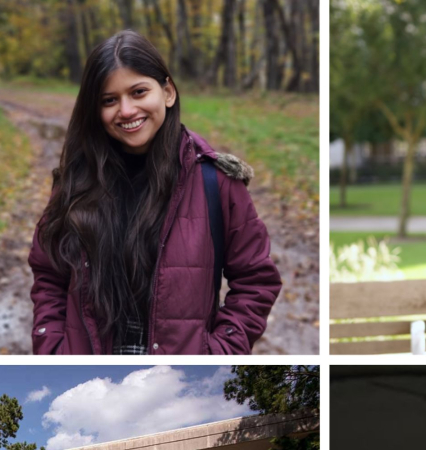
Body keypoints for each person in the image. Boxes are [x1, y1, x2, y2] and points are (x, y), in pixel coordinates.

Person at [29, 30, 281, 354]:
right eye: (109, 100)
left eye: (138, 92)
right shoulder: (75, 184)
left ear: (168, 92)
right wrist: (53, 349)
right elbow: (49, 274)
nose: (126, 110)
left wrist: (219, 351)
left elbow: (256, 280)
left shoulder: (215, 182)